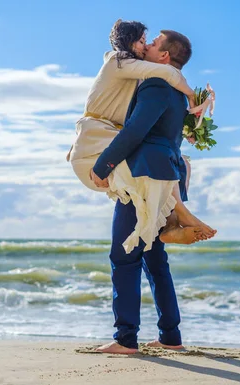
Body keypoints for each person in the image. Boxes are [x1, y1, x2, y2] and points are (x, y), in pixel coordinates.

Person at [67, 19, 216, 251]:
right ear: (128, 42)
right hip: (94, 137)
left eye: (149, 43)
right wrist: (191, 95)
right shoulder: (118, 61)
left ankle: (170, 225)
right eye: (142, 41)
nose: (145, 47)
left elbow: (160, 102)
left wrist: (189, 125)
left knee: (181, 161)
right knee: (153, 152)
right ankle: (180, 214)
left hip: (109, 134)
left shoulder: (140, 75)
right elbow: (166, 73)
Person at [92, 30, 195, 354]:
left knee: (123, 256)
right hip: (166, 175)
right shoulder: (177, 91)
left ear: (164, 56)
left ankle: (125, 339)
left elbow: (136, 130)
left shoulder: (156, 83)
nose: (147, 45)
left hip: (144, 178)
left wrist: (103, 165)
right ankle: (170, 336)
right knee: (153, 258)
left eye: (153, 43)